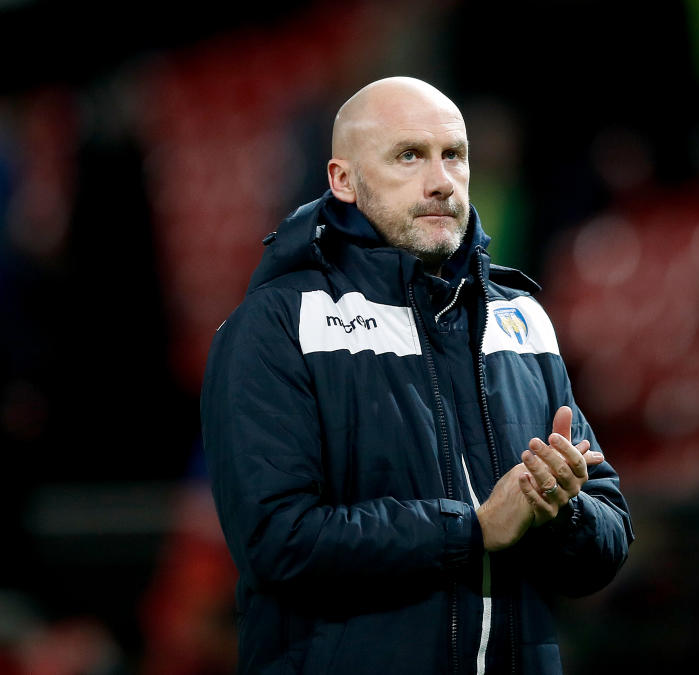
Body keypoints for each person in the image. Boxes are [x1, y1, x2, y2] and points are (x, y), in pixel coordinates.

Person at [200, 76, 634, 674]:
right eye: (409, 156)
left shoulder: (522, 319)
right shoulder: (278, 326)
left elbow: (607, 541)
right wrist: (474, 529)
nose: (440, 182)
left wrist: (561, 510)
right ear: (343, 180)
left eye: (453, 155)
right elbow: (279, 543)